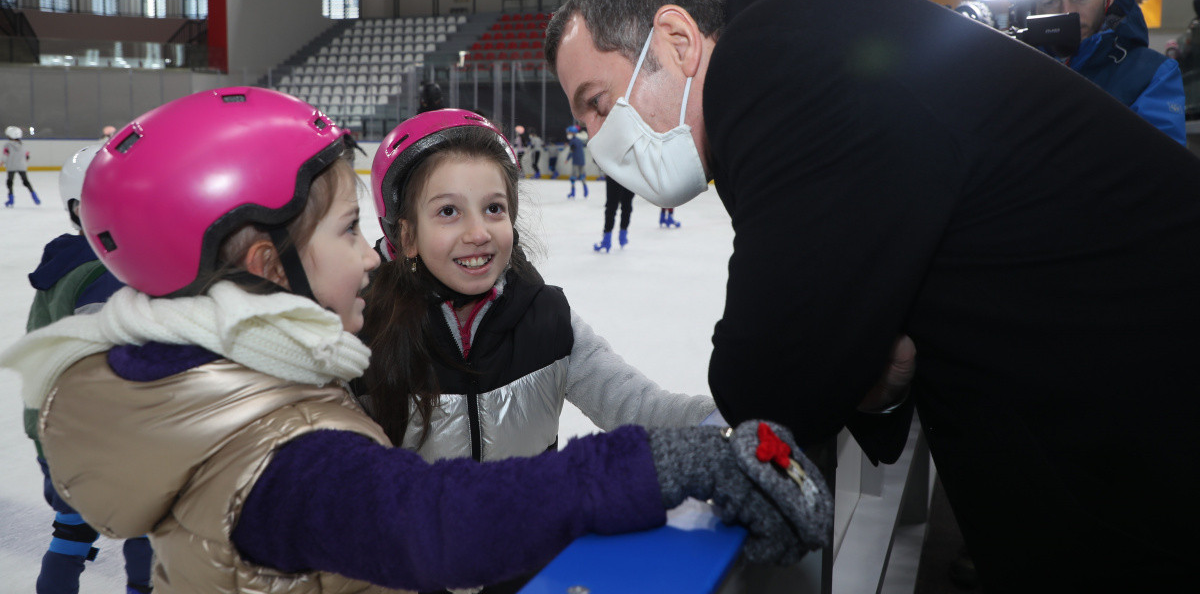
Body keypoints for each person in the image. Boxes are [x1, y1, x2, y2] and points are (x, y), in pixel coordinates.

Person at [0, 87, 833, 594]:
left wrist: (735, 426)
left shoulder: (259, 373)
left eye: (495, 207)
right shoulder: (291, 426)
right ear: (269, 264)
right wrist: (663, 465)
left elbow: (638, 400)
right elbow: (424, 518)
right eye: (348, 229)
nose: (365, 255)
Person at [544, 0, 1200, 590]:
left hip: (1143, 445)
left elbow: (769, 384)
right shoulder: (809, 31)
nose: (601, 140)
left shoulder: (776, 63)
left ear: (678, 40)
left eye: (599, 102)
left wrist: (844, 367)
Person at [364, 110, 715, 473]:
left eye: (494, 208)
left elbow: (638, 407)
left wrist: (724, 425)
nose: (478, 232)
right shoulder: (362, 337)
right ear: (407, 236)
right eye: (449, 210)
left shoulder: (546, 318)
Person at [23, 144, 153, 594]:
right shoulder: (111, 270)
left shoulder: (58, 265)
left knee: (71, 534)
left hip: (58, 432)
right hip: (112, 436)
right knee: (144, 530)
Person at [1030, 0, 1185, 144]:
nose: (1067, 12)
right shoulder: (1014, 66)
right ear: (1034, 6)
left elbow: (1163, 169)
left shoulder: (1153, 73)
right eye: (1050, 1)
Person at [4, 125, 42, 207]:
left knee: (10, 182)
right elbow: (27, 156)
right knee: (26, 181)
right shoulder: (23, 145)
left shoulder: (7, 145)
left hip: (11, 167)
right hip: (21, 166)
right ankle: (35, 197)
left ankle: (11, 200)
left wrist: (2, 162)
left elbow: (5, 155)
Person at [595, 175, 635, 251]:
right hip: (631, 175)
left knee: (612, 206)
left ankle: (607, 239)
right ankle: (623, 236)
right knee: (627, 204)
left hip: (615, 174)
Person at [566, 124, 588, 198]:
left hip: (575, 161)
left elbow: (571, 151)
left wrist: (567, 159)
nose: (568, 134)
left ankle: (573, 192)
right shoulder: (579, 140)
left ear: (573, 133)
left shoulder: (573, 141)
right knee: (582, 176)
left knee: (573, 177)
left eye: (569, 133)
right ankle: (586, 191)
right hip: (582, 161)